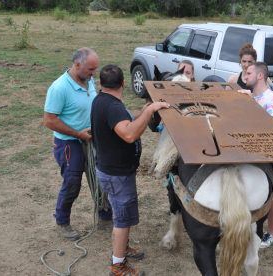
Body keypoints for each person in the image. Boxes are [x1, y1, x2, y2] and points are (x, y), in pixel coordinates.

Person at [91, 64, 170, 276]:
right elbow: (129, 134)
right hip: (117, 174)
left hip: (117, 172)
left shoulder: (102, 100)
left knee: (123, 215)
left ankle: (122, 249)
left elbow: (123, 120)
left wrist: (144, 110)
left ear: (100, 83)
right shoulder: (113, 106)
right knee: (122, 220)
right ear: (124, 83)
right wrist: (151, 111)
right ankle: (118, 266)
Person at [43, 47, 113, 241]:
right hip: (69, 142)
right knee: (73, 182)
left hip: (91, 139)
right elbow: (49, 120)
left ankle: (105, 218)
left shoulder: (87, 80)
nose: (94, 74)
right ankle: (62, 221)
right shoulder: (59, 88)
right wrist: (78, 134)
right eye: (91, 69)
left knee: (100, 179)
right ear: (77, 65)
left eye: (95, 69)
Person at [237, 61, 273, 249]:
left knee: (271, 195)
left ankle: (270, 233)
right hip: (245, 152)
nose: (244, 76)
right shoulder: (247, 97)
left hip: (267, 155)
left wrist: (250, 103)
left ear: (260, 75)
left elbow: (267, 128)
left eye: (248, 73)